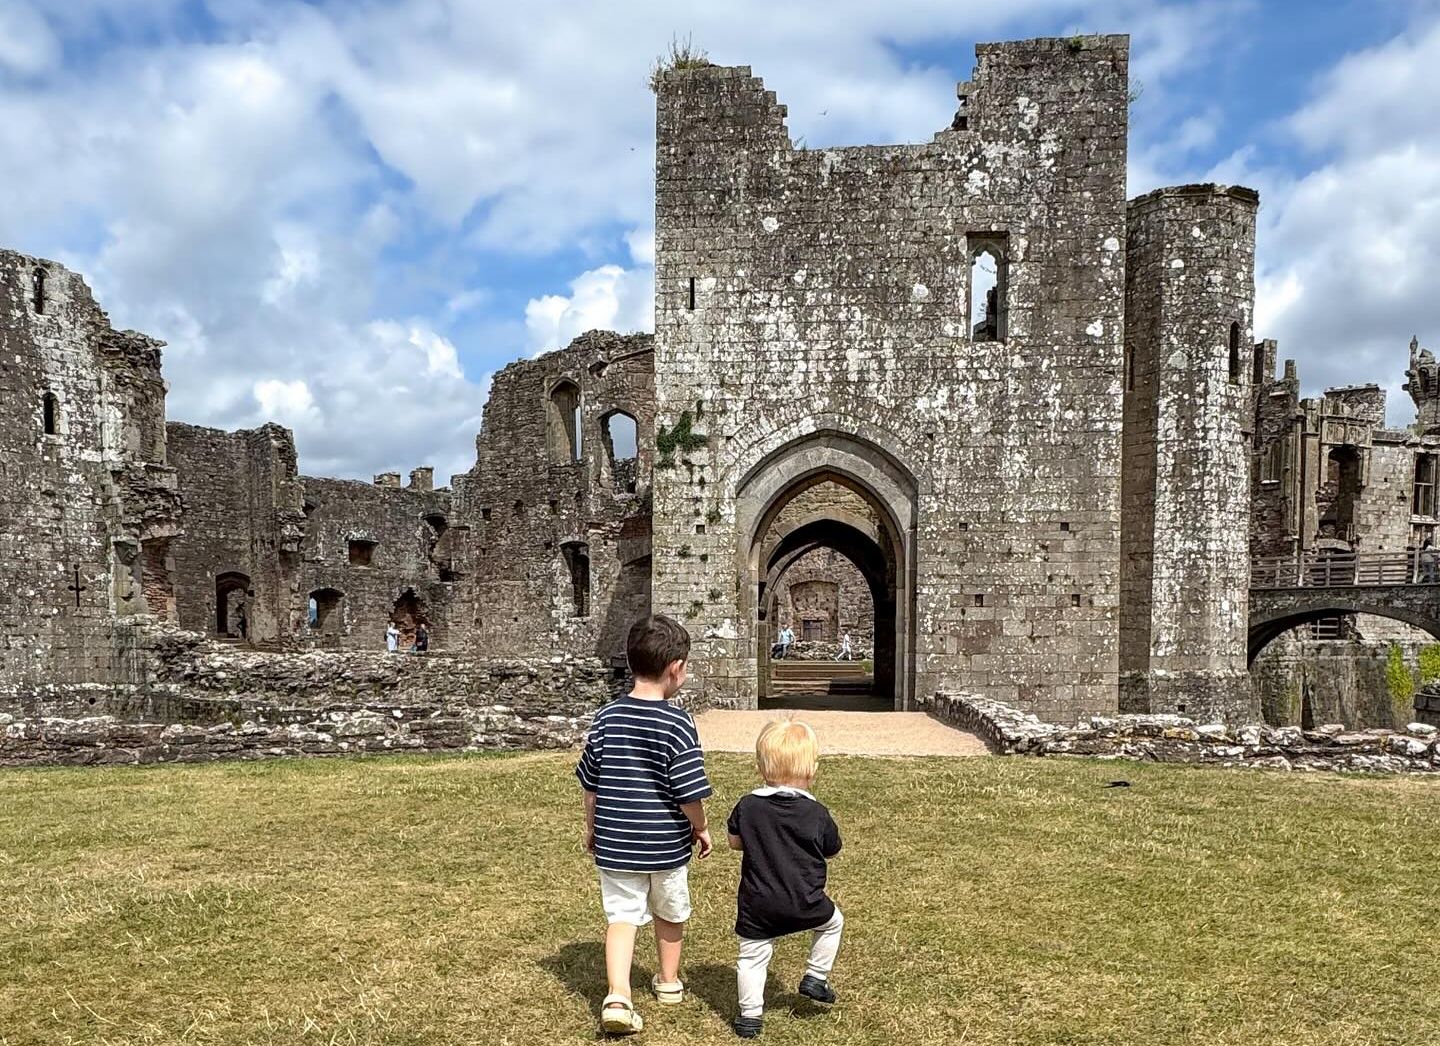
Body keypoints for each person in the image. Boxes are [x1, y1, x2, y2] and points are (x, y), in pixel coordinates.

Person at [576, 614, 713, 1036]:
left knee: (621, 915)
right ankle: (668, 982)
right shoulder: (677, 722)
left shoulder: (606, 718)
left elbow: (591, 782)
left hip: (616, 842)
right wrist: (701, 827)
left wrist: (592, 826)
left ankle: (618, 993)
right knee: (669, 910)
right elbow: (689, 789)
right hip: (666, 844)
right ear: (675, 668)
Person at [726, 719, 843, 1039]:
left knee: (751, 956)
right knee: (833, 923)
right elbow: (832, 850)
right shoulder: (816, 812)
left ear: (761, 767)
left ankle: (750, 1017)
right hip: (805, 899)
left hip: (758, 902)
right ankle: (815, 976)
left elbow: (735, 842)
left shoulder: (748, 805)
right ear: (811, 770)